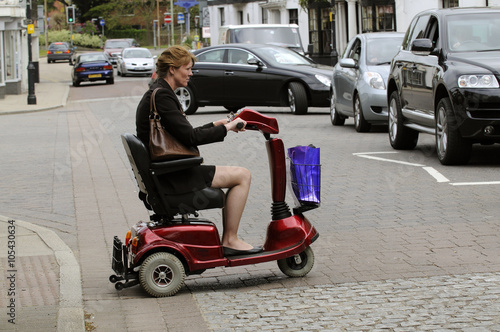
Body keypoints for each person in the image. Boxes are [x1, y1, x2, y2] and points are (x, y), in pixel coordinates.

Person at [136, 45, 262, 256]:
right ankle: (230, 239)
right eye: (188, 68)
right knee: (243, 176)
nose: (191, 73)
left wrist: (218, 123)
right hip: (174, 176)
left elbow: (184, 133)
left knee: (240, 174)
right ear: (173, 69)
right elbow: (191, 138)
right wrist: (228, 127)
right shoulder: (162, 97)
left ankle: (231, 238)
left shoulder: (158, 93)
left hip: (167, 171)